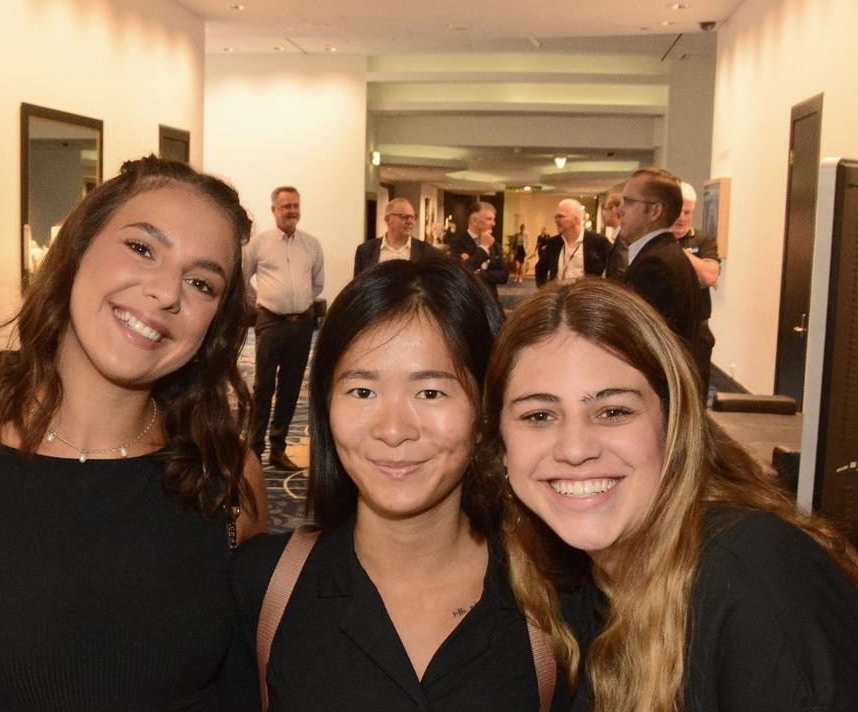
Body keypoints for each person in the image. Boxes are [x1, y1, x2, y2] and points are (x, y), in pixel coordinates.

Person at [0, 156, 267, 711]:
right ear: (77, 250)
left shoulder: (225, 477)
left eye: (201, 282)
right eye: (142, 248)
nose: (165, 293)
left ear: (215, 323)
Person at [481, 278, 858, 712]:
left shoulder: (754, 578)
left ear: (674, 424)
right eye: (539, 416)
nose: (576, 449)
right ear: (501, 444)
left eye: (613, 411)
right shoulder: (570, 572)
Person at [226, 256, 592, 712]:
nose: (394, 429)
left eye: (431, 392)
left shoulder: (561, 601)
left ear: (484, 413)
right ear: (325, 407)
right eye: (362, 392)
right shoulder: (259, 588)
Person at [244, 186, 324, 471]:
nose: (292, 211)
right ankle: (254, 449)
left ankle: (278, 449)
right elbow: (242, 279)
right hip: (270, 322)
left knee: (291, 388)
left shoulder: (312, 244)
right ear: (274, 210)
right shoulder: (259, 243)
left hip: (302, 325)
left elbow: (317, 284)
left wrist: (298, 302)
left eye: (295, 206)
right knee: (263, 387)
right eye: (286, 206)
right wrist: (262, 303)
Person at [617, 168, 701, 358]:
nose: (619, 210)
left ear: (655, 211)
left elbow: (644, 345)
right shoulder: (663, 254)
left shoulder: (656, 265)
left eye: (629, 202)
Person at [673, 181, 721, 392]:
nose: (682, 218)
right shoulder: (654, 243)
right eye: (678, 211)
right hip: (666, 328)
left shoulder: (704, 240)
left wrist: (678, 253)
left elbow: (709, 276)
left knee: (696, 390)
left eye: (688, 212)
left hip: (697, 332)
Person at [534, 199, 611, 286]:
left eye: (561, 216)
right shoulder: (553, 243)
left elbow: (613, 269)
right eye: (556, 217)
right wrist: (544, 292)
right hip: (559, 297)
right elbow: (540, 269)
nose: (556, 220)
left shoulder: (598, 241)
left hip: (587, 297)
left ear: (576, 219)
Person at [353, 197, 437, 277]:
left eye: (413, 217)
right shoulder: (366, 250)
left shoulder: (425, 251)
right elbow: (358, 287)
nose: (410, 222)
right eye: (404, 217)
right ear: (387, 219)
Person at [449, 201, 508, 303]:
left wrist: (481, 274)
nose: (493, 223)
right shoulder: (457, 242)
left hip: (491, 301)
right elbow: (460, 272)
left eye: (494, 219)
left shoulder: (494, 244)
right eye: (489, 219)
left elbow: (504, 275)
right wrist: (484, 247)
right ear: (474, 220)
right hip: (467, 301)